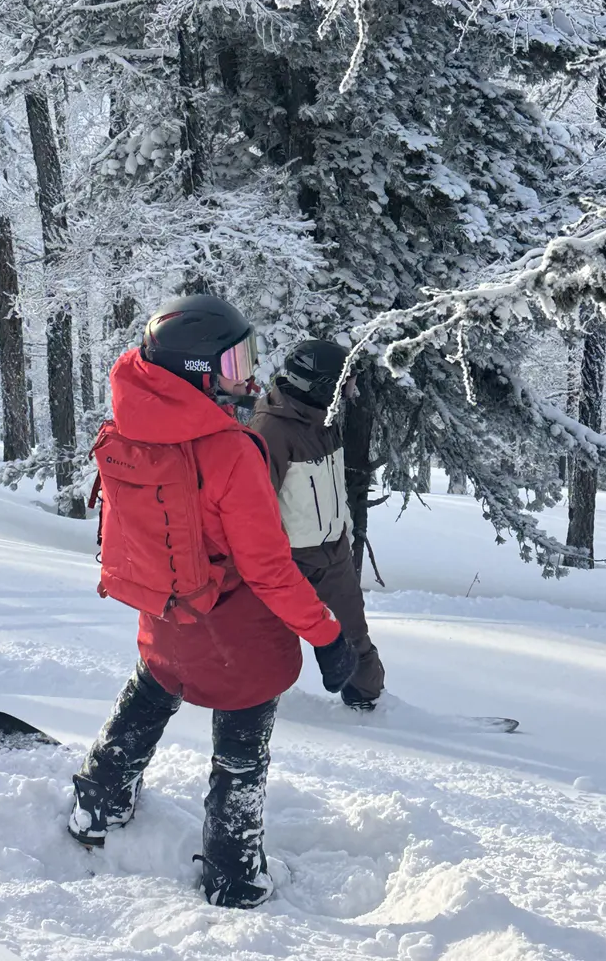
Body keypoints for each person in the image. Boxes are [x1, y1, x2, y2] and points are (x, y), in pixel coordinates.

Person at [69, 294, 357, 909]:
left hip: (167, 619)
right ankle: (233, 872)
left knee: (148, 696)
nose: (247, 376)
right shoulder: (229, 452)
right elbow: (270, 570)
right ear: (196, 372)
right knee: (241, 753)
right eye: (232, 364)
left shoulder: (127, 427)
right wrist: (327, 635)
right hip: (237, 635)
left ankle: (98, 802)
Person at [249, 339, 387, 711]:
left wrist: (344, 528)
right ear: (321, 385)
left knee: (355, 636)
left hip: (334, 552)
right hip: (291, 560)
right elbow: (254, 509)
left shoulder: (323, 420)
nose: (351, 391)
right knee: (267, 642)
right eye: (345, 383)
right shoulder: (270, 432)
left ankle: (369, 704)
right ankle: (251, 704)